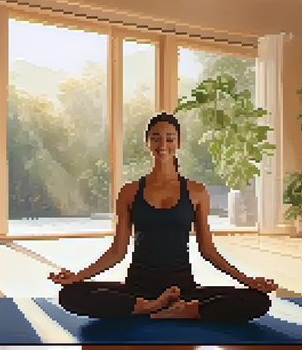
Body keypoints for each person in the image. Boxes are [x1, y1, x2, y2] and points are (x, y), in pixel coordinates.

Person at [48, 112, 277, 321]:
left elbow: (208, 250)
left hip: (183, 289)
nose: (163, 144)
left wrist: (247, 281)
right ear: (148, 143)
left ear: (178, 143)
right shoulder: (129, 192)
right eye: (156, 138)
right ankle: (147, 306)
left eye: (169, 138)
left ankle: (185, 309)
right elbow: (117, 251)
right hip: (138, 287)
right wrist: (77, 277)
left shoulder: (196, 192)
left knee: (258, 301)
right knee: (70, 294)